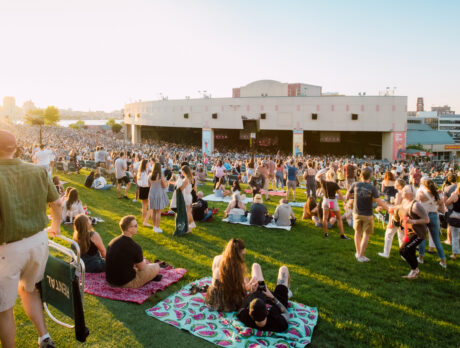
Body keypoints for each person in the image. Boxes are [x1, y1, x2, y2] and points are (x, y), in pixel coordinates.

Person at [0, 130, 62, 348]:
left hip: (8, 249)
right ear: (16, 148)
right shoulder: (37, 170)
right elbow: (57, 204)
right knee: (30, 290)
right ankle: (44, 337)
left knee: (4, 309)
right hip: (38, 241)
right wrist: (56, 226)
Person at [346, 168, 389, 262]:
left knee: (357, 232)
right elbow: (379, 201)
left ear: (361, 175)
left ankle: (358, 253)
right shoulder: (372, 188)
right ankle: (361, 256)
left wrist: (355, 196)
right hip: (367, 214)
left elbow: (347, 196)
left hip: (356, 213)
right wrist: (388, 209)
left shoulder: (355, 184)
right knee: (366, 234)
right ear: (370, 176)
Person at [105, 216, 160, 288]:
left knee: (138, 264)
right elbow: (142, 268)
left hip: (110, 280)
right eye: (135, 226)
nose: (137, 227)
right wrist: (144, 261)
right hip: (125, 283)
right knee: (156, 266)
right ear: (129, 228)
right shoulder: (135, 247)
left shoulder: (112, 241)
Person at [205, 238, 257, 312]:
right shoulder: (237, 268)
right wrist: (250, 288)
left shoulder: (216, 258)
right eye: (243, 254)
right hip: (226, 301)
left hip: (213, 297)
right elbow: (239, 289)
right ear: (238, 254)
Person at [237, 265, 290, 332]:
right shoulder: (278, 323)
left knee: (255, 266)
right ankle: (287, 290)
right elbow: (286, 313)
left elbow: (241, 307)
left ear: (250, 313)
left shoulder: (245, 317)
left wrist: (252, 292)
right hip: (278, 300)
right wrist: (272, 297)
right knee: (283, 269)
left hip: (259, 293)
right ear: (267, 312)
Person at [393, 186, 429, 279]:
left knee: (404, 250)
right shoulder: (404, 202)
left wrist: (413, 221)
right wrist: (389, 207)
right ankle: (414, 270)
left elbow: (427, 220)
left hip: (418, 233)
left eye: (405, 190)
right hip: (408, 232)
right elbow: (399, 208)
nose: (403, 191)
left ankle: (415, 270)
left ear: (411, 193)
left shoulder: (416, 205)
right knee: (408, 251)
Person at [416, 178, 447, 268]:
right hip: (434, 216)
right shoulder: (437, 194)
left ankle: (421, 258)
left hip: (424, 215)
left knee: (422, 237)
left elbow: (417, 203)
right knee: (436, 239)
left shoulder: (420, 192)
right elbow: (441, 207)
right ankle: (443, 260)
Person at [378, 179, 406, 258]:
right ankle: (403, 254)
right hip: (403, 216)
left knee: (389, 235)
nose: (394, 184)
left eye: (396, 183)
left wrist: (385, 207)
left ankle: (386, 253)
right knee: (401, 236)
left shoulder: (399, 194)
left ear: (399, 185)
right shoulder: (405, 193)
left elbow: (396, 207)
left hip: (396, 216)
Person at [317, 169, 348, 239]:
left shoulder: (323, 182)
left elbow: (318, 176)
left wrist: (324, 172)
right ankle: (342, 235)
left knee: (325, 218)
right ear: (333, 175)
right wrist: (344, 201)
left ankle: (326, 233)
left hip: (325, 201)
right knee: (339, 218)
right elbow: (340, 194)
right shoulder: (334, 184)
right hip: (332, 201)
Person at [148, 162, 169, 232]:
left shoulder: (150, 175)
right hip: (159, 193)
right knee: (158, 212)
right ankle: (157, 227)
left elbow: (149, 185)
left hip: (152, 193)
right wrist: (166, 183)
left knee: (154, 211)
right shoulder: (160, 176)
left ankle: (154, 226)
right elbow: (164, 186)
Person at [444, 182, 460, 259]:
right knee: (455, 235)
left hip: (456, 216)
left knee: (455, 236)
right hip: (456, 216)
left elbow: (446, 203)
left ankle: (455, 254)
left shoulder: (455, 195)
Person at [136, 159, 151, 227]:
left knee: (144, 206)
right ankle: (145, 221)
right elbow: (145, 183)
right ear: (145, 164)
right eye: (148, 163)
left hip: (142, 189)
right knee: (146, 206)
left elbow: (139, 182)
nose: (149, 164)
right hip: (145, 189)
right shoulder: (144, 172)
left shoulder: (141, 171)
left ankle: (144, 220)